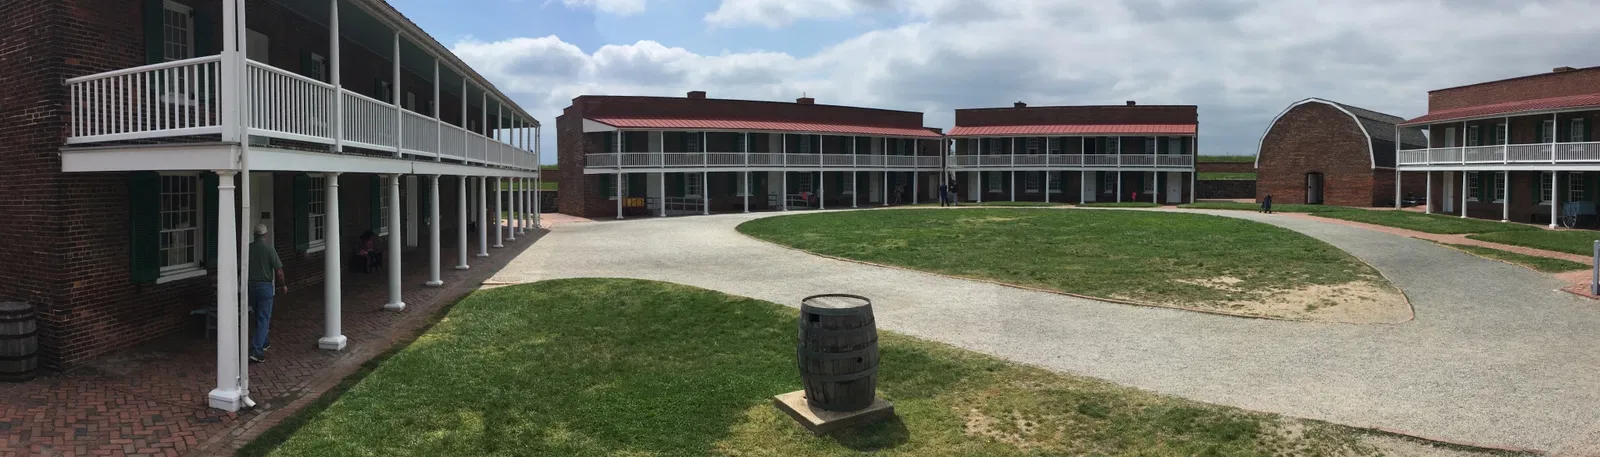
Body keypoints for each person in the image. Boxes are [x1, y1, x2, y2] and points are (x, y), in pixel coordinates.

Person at [248, 224, 285, 363]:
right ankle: (257, 350)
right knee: (264, 318)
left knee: (258, 316)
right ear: (265, 235)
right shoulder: (269, 249)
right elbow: (279, 272)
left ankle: (264, 342)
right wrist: (283, 285)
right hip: (265, 286)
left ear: (254, 235)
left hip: (251, 286)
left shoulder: (248, 249)